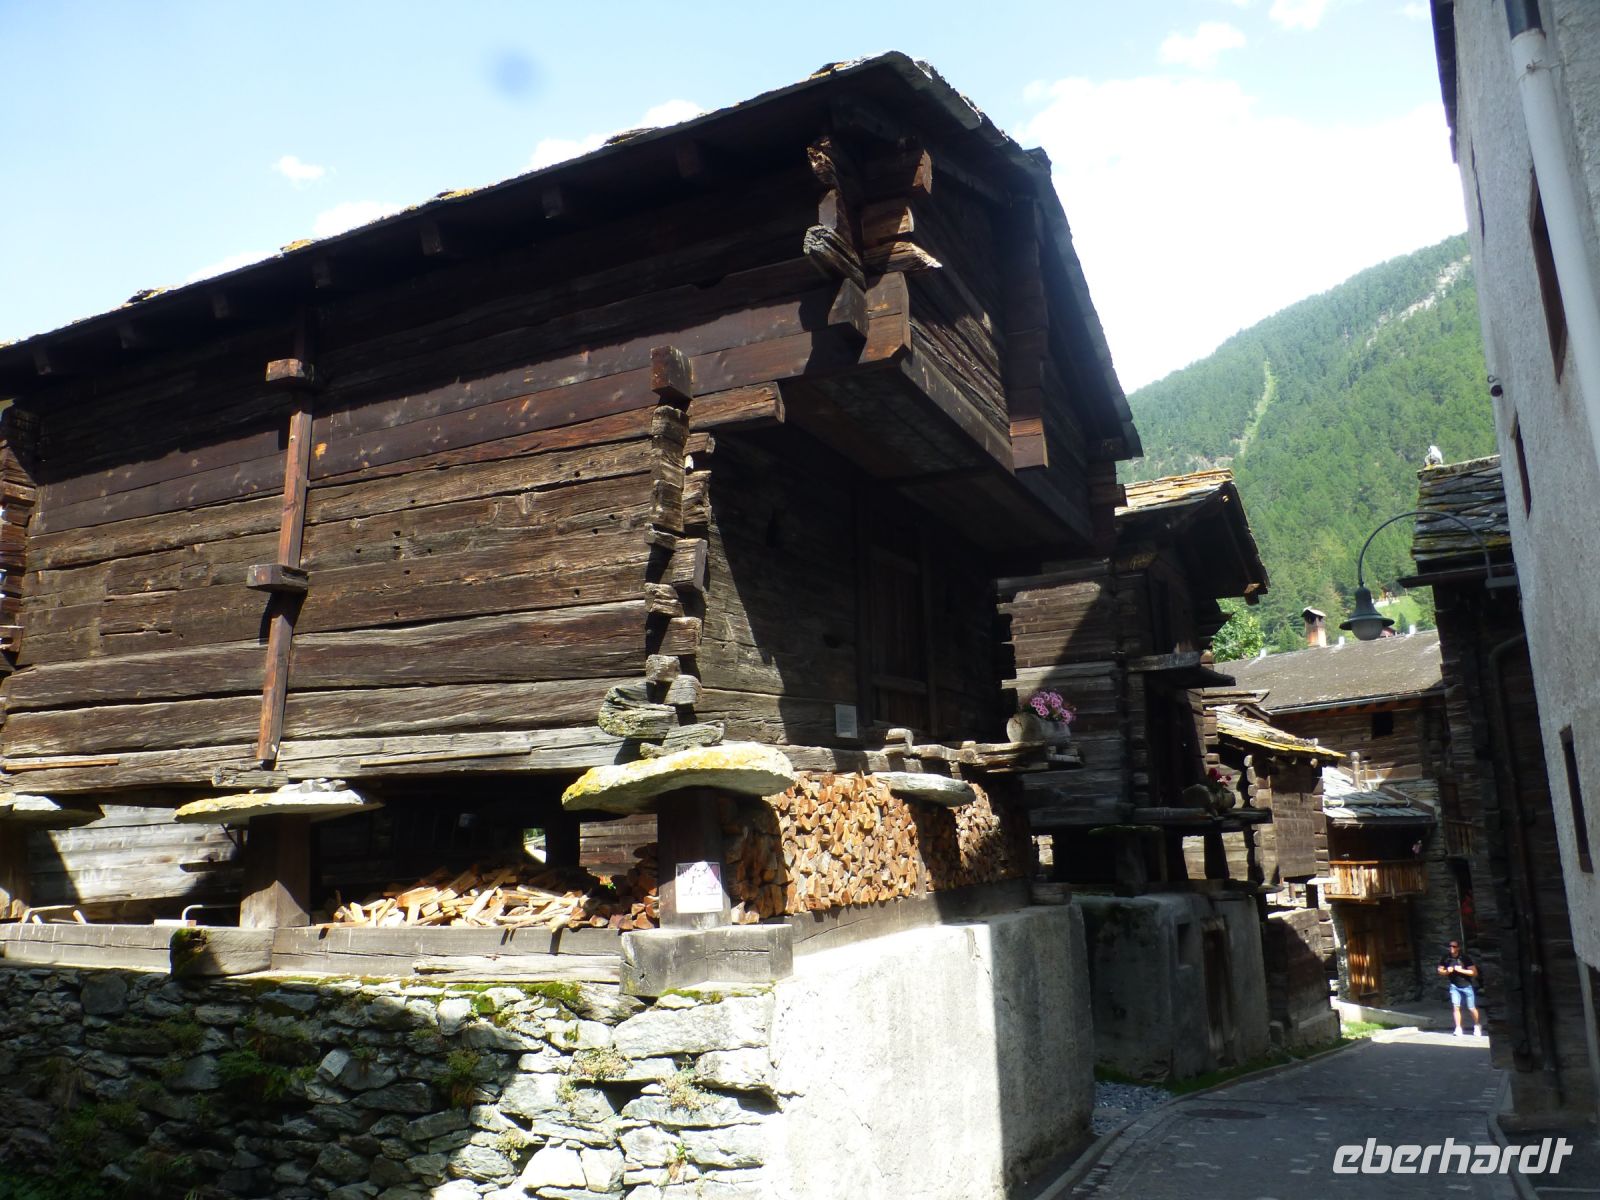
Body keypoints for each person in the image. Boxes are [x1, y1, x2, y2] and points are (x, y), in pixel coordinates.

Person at [1437, 940, 1481, 1037]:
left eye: (1454, 946)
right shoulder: (1446, 958)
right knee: (1456, 1007)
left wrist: (1461, 970)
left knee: (1471, 1008)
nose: (1452, 948)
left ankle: (1477, 1025)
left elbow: (1474, 972)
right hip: (1454, 986)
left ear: (1458, 948)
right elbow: (1440, 970)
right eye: (1450, 946)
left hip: (1466, 986)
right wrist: (1446, 972)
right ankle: (1458, 1028)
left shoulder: (1464, 958)